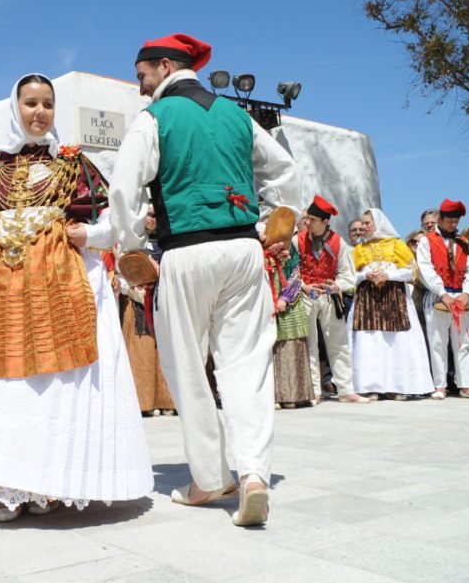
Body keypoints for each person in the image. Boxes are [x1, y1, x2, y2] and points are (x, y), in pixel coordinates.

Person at [0, 73, 153, 523]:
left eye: (48, 104)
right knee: (2, 384)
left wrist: (89, 234)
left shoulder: (73, 164)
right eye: (31, 103)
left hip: (59, 283)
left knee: (52, 386)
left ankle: (50, 484)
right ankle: (6, 485)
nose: (40, 112)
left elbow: (116, 216)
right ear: (15, 108)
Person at [110, 34, 299, 527]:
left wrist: (130, 248)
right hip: (244, 249)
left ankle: (210, 478)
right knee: (248, 365)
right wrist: (277, 224)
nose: (140, 86)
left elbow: (123, 188)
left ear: (165, 66)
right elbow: (284, 171)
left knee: (188, 366)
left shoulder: (155, 117)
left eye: (142, 76)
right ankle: (254, 475)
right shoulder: (238, 114)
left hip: (186, 250)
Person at [348, 209, 434, 400]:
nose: (363, 227)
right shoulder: (359, 249)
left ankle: (396, 386)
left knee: (395, 341)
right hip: (367, 298)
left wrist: (388, 275)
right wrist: (365, 275)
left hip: (394, 296)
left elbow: (410, 272)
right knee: (369, 341)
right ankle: (371, 386)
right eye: (362, 223)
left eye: (367, 223)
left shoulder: (396, 244)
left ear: (378, 223)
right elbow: (350, 275)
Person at [297, 196, 370, 404]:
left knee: (339, 344)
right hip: (306, 296)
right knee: (310, 344)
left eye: (312, 219)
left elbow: (348, 275)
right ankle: (314, 391)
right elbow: (291, 270)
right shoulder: (298, 240)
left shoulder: (339, 243)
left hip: (330, 297)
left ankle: (346, 390)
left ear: (325, 221)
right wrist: (303, 286)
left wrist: (338, 286)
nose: (307, 222)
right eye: (307, 218)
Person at [416, 199, 469, 399]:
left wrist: (466, 292)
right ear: (440, 219)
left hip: (460, 296)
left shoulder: (463, 242)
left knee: (464, 341)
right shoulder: (427, 241)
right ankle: (440, 385)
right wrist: (442, 293)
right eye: (450, 221)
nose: (453, 224)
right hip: (438, 295)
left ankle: (466, 385)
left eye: (456, 221)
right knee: (437, 341)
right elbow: (425, 269)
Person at [120, 204, 175, 416]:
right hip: (137, 302)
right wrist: (136, 289)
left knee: (166, 352)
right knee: (142, 353)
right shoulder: (131, 243)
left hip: (163, 300)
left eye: (155, 215)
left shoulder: (167, 242)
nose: (152, 219)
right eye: (149, 215)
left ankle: (169, 401)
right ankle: (143, 403)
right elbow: (120, 270)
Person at [268, 242, 314, 408]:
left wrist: (285, 298)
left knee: (291, 345)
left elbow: (295, 274)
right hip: (265, 300)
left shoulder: (289, 245)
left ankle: (295, 395)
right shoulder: (257, 245)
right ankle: (273, 396)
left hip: (289, 302)